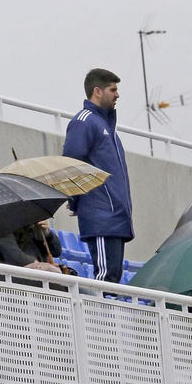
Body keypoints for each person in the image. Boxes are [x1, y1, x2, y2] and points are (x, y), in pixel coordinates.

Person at [63, 68, 133, 282]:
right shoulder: (84, 122)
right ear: (97, 91)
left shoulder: (108, 128)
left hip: (116, 217)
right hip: (101, 216)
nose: (117, 95)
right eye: (113, 89)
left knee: (114, 278)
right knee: (105, 279)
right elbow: (72, 164)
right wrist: (74, 201)